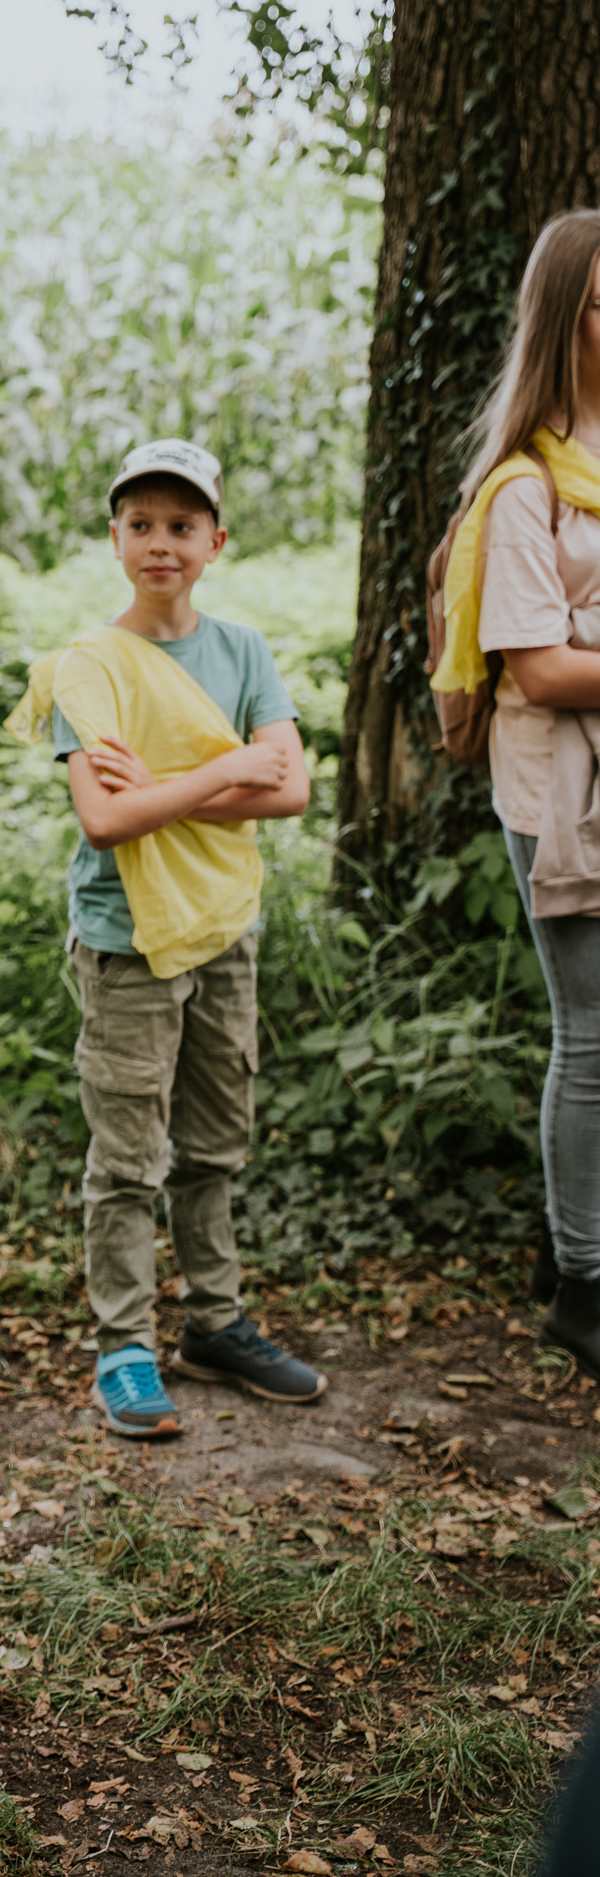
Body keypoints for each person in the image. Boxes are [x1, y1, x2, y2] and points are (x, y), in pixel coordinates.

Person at [21, 438, 325, 1437]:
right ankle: (123, 1348)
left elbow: (293, 788)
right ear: (114, 539)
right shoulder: (89, 665)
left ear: (215, 542)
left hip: (223, 925)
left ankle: (214, 1323)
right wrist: (226, 768)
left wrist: (166, 786)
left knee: (214, 1140)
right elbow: (106, 820)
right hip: (128, 942)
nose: (161, 542)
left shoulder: (242, 651)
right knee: (126, 1155)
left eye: (182, 525)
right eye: (141, 524)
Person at [441, 210, 600, 1376]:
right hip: (559, 793)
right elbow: (539, 668)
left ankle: (570, 1234)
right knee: (590, 1035)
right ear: (567, 320)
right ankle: (582, 1286)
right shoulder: (523, 491)